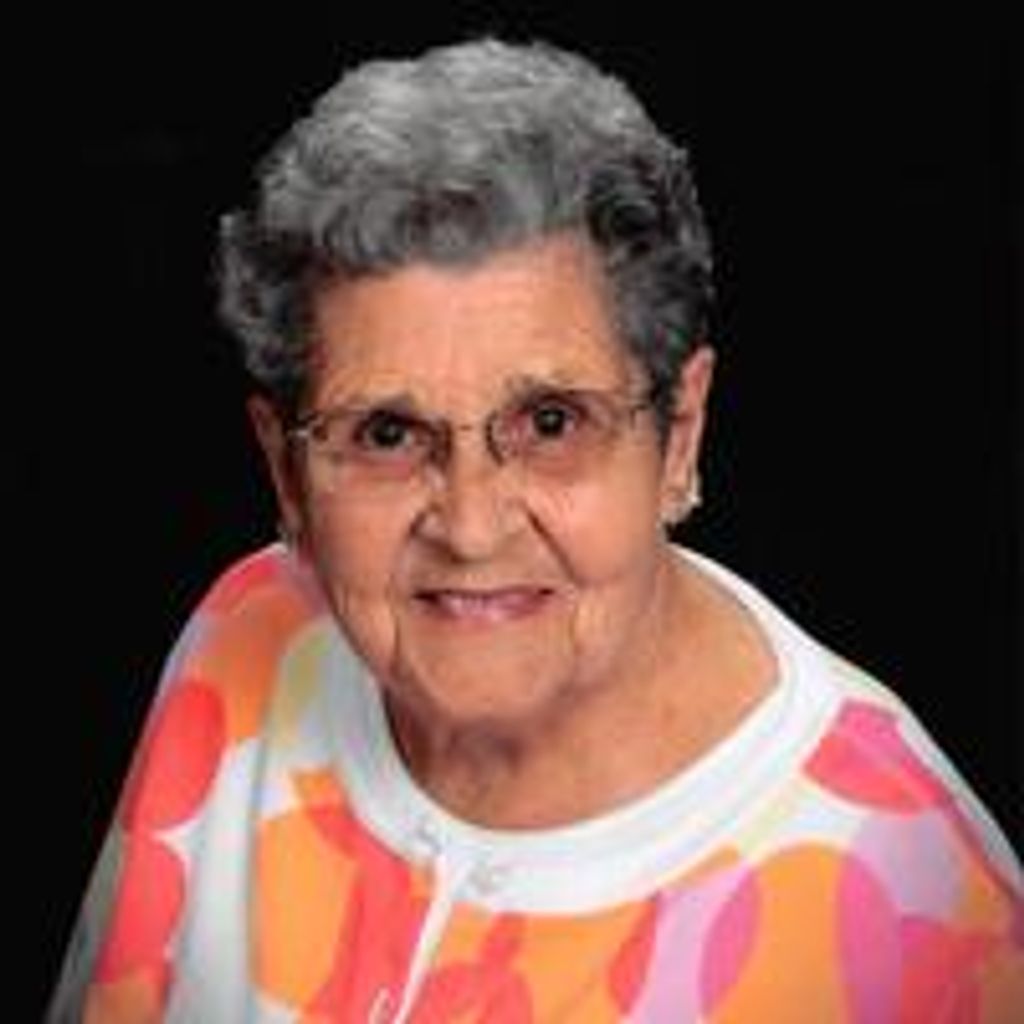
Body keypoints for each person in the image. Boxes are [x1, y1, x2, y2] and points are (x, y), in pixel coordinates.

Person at [48, 37, 1023, 1023]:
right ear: (286, 473)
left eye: (551, 422)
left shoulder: (926, 908)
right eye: (386, 432)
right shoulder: (244, 639)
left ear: (679, 433)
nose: (472, 527)